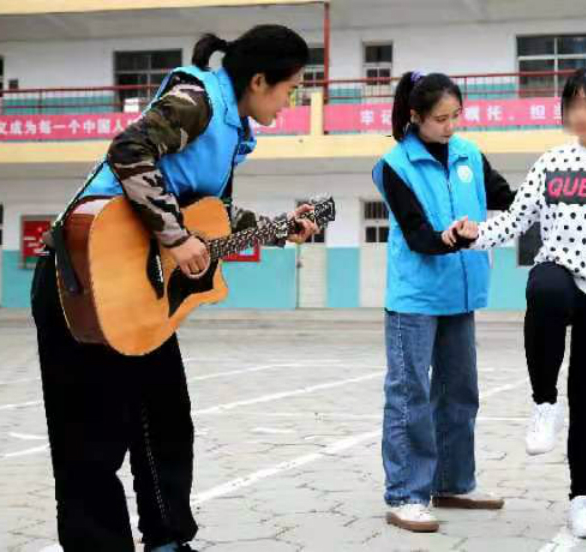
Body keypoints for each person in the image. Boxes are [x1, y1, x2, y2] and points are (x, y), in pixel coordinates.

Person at [31, 25, 319, 552]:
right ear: (259, 80)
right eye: (291, 88)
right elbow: (129, 150)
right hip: (81, 278)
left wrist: (279, 229)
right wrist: (175, 235)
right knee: (90, 441)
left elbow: (205, 215)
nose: (291, 101)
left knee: (164, 423)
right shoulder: (198, 100)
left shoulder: (232, 130)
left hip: (142, 290)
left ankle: (168, 541)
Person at [445, 67, 586, 539]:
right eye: (573, 105)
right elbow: (515, 219)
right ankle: (544, 403)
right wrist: (473, 234)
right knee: (544, 288)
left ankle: (582, 500)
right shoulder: (552, 161)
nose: (581, 114)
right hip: (561, 269)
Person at [371, 71, 517, 533]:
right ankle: (405, 494)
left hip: (461, 294)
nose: (450, 127)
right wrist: (447, 237)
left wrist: (551, 195)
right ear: (416, 116)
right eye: (440, 119)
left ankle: (453, 483)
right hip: (415, 298)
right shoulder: (394, 165)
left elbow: (507, 198)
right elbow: (417, 233)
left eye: (456, 116)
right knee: (409, 394)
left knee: (460, 392)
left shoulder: (469, 153)